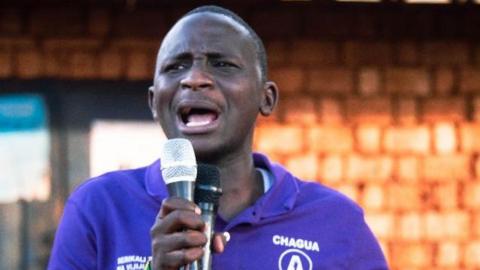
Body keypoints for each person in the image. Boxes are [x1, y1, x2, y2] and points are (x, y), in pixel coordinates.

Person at [48, 5, 388, 270]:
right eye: (176, 67)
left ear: (265, 98)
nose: (194, 79)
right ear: (154, 102)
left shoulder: (335, 222)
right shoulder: (100, 209)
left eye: (222, 64)